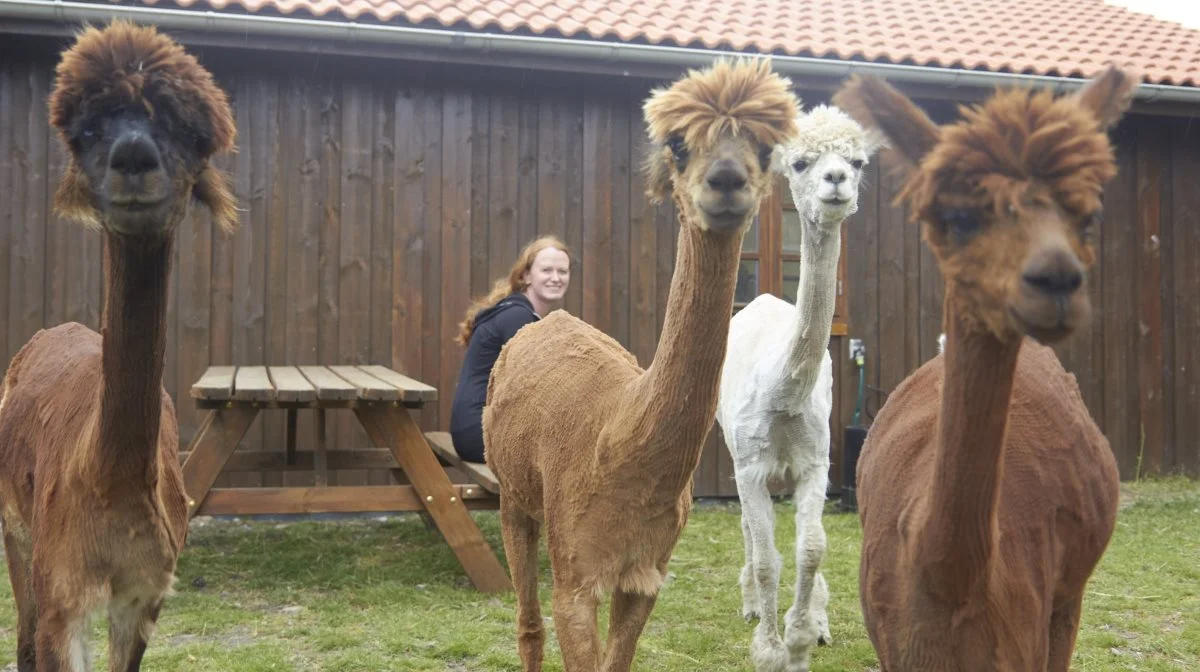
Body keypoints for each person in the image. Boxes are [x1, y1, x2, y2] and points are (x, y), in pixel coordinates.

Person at [449, 235, 571, 463]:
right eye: (546, 270)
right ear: (526, 275)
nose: (556, 278)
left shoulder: (517, 311)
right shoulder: (517, 317)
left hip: (477, 430)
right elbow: (533, 386)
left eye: (562, 271)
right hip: (480, 436)